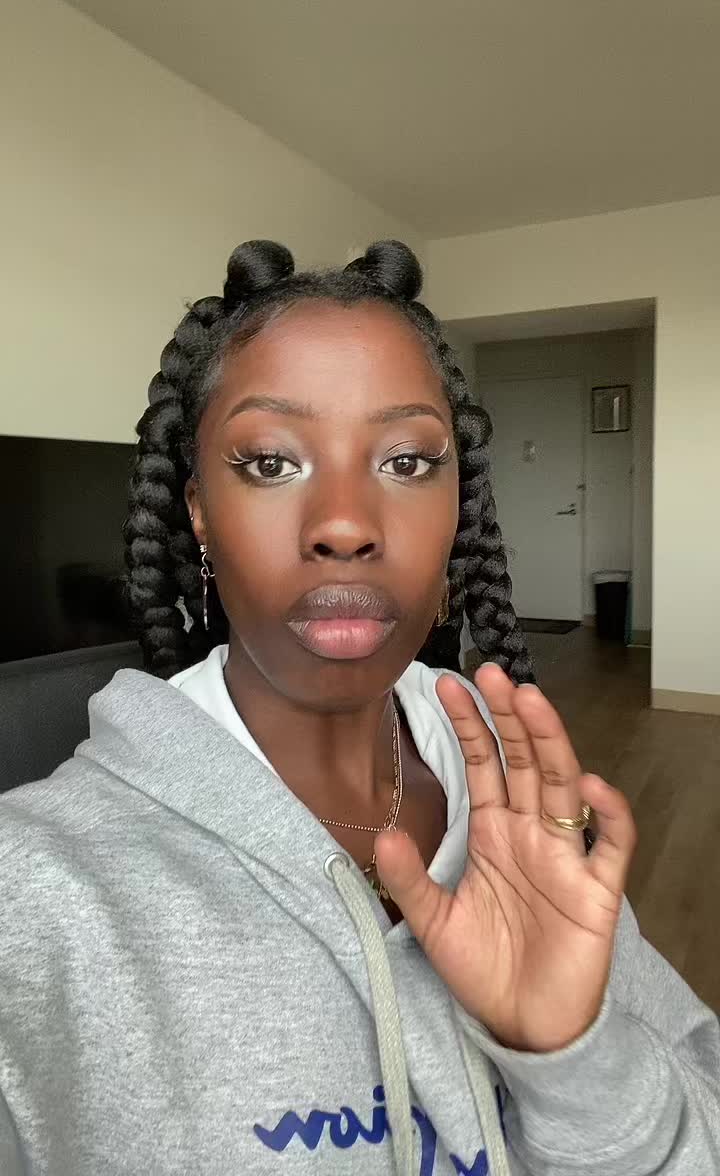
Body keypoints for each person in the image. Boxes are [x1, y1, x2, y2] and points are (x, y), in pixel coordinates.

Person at [0, 241, 718, 1176]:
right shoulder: (30, 894)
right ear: (199, 511)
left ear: (459, 508)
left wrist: (574, 1058)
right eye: (270, 461)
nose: (345, 524)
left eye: (408, 460)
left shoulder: (510, 794)